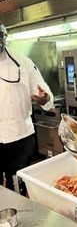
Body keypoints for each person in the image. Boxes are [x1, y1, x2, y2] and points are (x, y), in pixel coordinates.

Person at [0, 22, 54, 196]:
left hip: (20, 137)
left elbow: (45, 93)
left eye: (0, 37)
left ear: (4, 37)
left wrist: (44, 97)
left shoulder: (23, 62)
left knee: (20, 187)